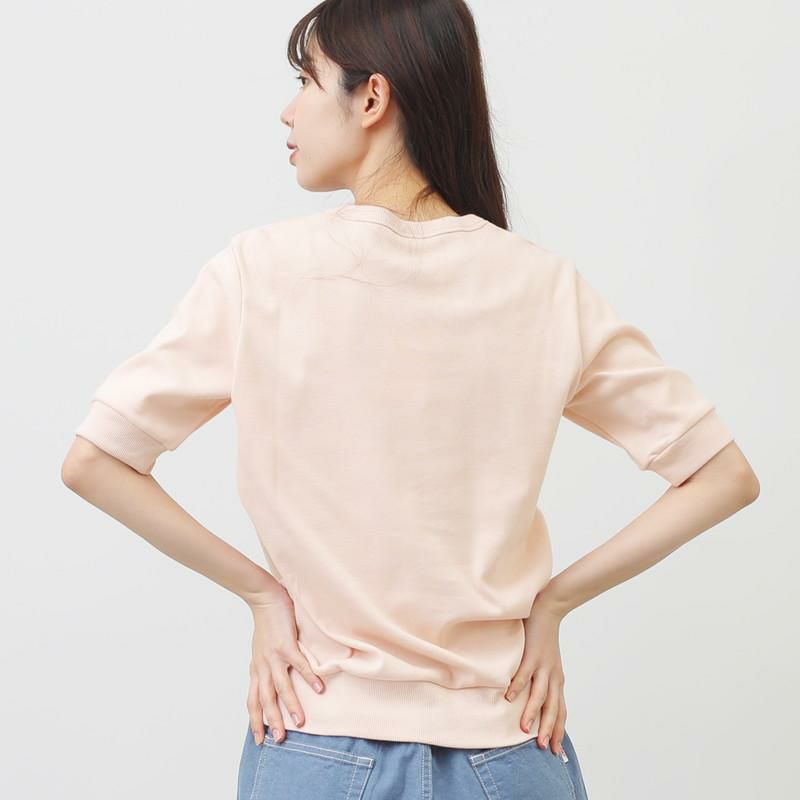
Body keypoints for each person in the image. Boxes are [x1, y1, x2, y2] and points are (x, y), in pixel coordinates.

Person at [61, 1, 760, 798]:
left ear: (371, 98)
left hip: (319, 741)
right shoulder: (542, 287)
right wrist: (552, 605)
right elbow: (723, 475)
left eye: (306, 79)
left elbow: (95, 461)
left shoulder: (260, 271)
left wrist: (262, 595)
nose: (288, 109)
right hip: (511, 748)